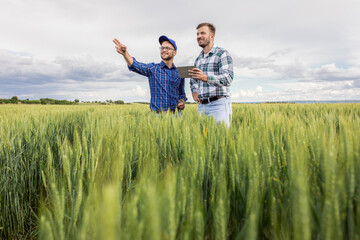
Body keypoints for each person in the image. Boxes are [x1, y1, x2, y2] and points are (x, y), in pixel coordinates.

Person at [113, 35, 187, 113]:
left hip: (176, 116)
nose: (164, 50)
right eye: (162, 48)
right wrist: (125, 53)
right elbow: (135, 65)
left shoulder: (180, 72)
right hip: (157, 116)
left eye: (167, 48)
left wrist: (181, 102)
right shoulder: (153, 69)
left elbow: (181, 93)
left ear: (174, 52)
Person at [189, 23, 234, 127]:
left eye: (202, 33)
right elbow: (194, 79)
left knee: (220, 139)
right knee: (204, 140)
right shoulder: (198, 59)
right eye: (197, 34)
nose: (199, 36)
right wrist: (194, 91)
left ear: (212, 36)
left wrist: (205, 78)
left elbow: (228, 78)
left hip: (218, 104)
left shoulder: (222, 53)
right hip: (202, 106)